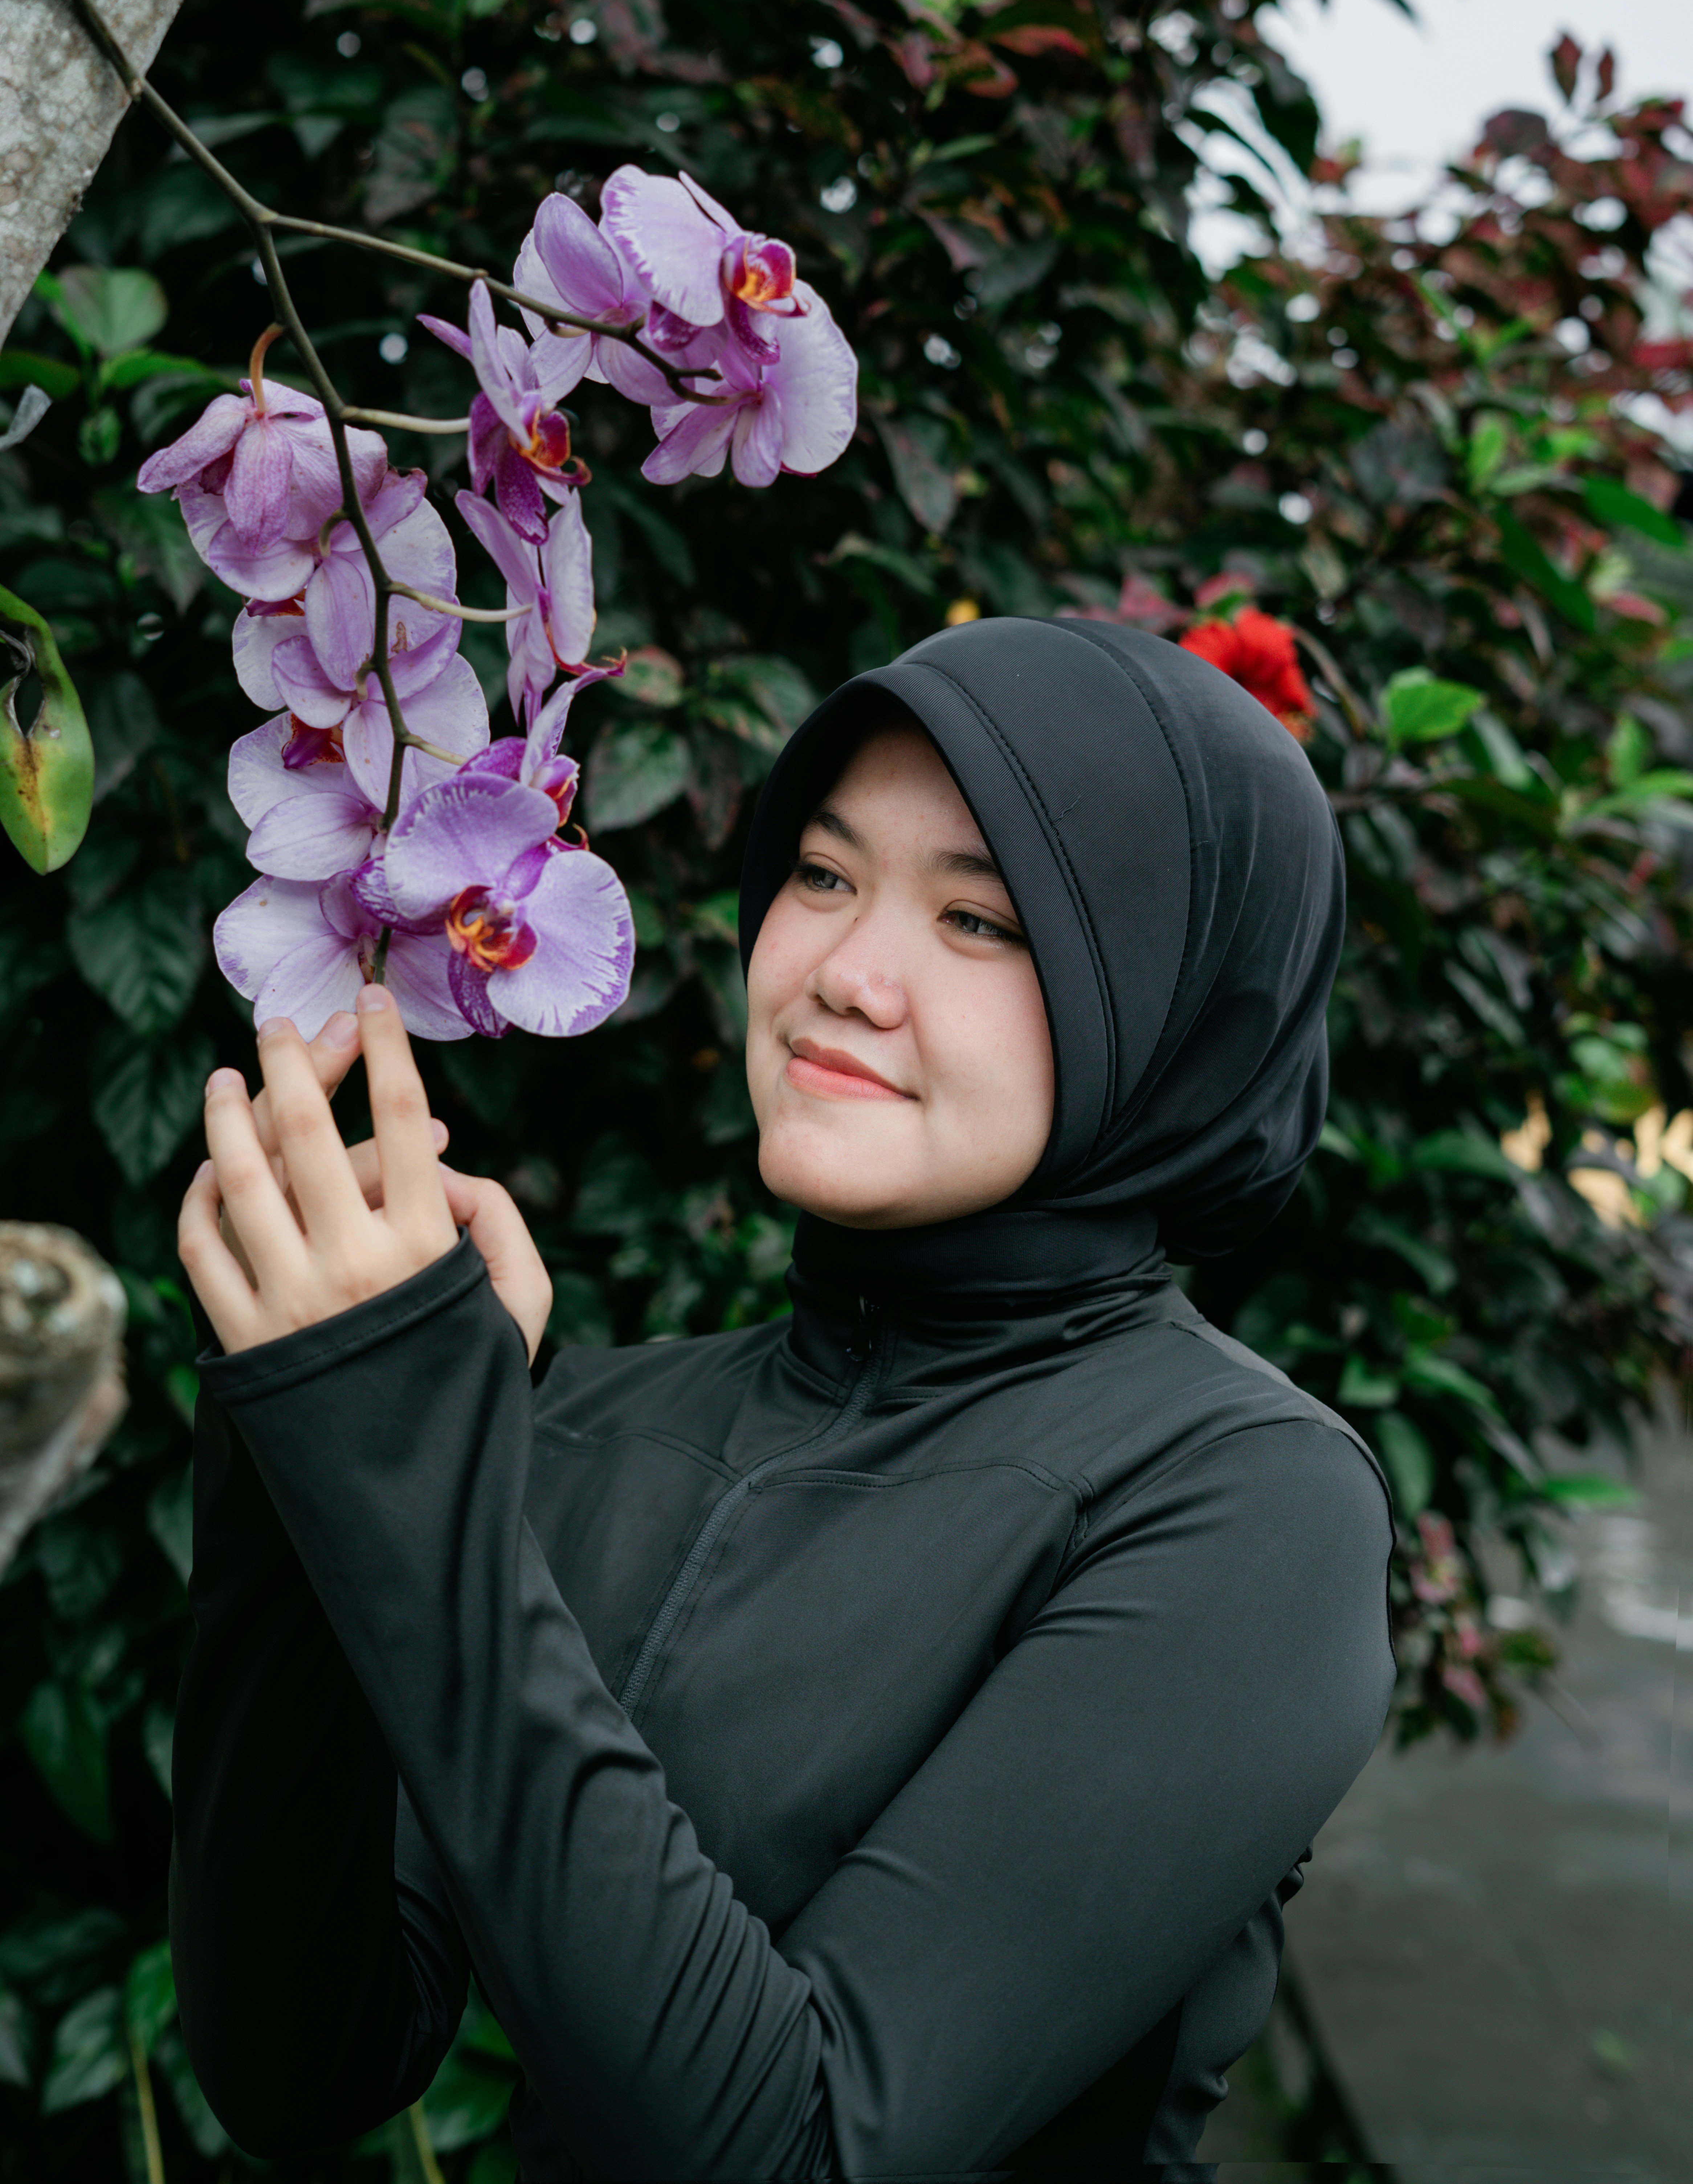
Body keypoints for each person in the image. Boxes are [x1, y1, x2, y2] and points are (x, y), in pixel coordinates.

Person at [171, 613, 1395, 2181]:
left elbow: (798, 2149)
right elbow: (306, 2061)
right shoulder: (606, 1421)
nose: (841, 974)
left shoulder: (1249, 1503)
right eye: (820, 876)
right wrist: (310, 1434)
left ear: (1167, 1008)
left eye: (983, 920)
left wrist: (414, 1466)